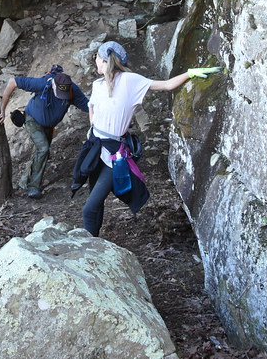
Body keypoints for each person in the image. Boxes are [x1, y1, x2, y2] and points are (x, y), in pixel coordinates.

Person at [78, 40, 220, 236]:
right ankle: (95, 240)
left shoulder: (130, 81)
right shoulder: (97, 84)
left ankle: (89, 245)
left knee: (89, 208)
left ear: (103, 59)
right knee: (95, 201)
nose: (95, 61)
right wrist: (93, 128)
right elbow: (91, 107)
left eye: (96, 58)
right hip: (95, 148)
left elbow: (167, 85)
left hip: (113, 154)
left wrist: (190, 73)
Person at [0, 63, 89, 198]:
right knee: (43, 148)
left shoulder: (73, 91)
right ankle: (33, 187)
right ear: (53, 85)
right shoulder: (42, 84)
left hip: (48, 126)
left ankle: (24, 182)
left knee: (41, 152)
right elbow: (13, 82)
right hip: (32, 119)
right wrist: (2, 110)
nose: (62, 96)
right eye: (60, 93)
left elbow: (89, 106)